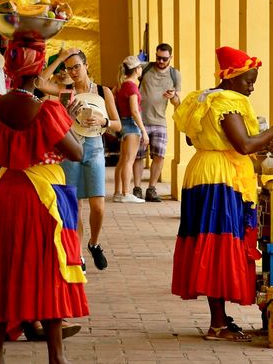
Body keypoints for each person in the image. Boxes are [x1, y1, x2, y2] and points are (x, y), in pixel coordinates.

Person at [0, 39, 88, 364]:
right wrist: (69, 119)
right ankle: (55, 355)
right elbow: (76, 153)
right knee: (46, 272)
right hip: (41, 199)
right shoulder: (47, 110)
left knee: (1, 270)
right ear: (37, 75)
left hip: (5, 195)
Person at [171, 46, 273, 342]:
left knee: (211, 242)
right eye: (248, 81)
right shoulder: (227, 102)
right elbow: (244, 145)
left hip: (203, 170)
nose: (250, 87)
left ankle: (220, 319)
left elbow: (190, 137)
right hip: (220, 177)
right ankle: (217, 325)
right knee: (219, 245)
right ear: (232, 78)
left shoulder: (202, 99)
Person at [52, 49, 122, 272]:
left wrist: (104, 121)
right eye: (68, 68)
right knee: (75, 205)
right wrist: (60, 59)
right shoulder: (65, 92)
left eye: (76, 66)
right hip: (71, 147)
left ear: (86, 65)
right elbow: (40, 84)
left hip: (94, 148)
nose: (73, 72)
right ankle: (78, 254)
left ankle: (94, 243)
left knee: (98, 206)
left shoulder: (103, 91)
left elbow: (118, 125)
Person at [132, 43, 181, 202]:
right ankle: (137, 188)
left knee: (159, 156)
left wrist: (172, 96)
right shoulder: (145, 68)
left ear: (170, 58)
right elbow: (129, 80)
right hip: (140, 119)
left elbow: (177, 102)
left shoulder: (174, 75)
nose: (160, 61)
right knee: (138, 156)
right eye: (158, 57)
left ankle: (151, 189)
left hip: (159, 120)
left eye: (164, 59)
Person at [113, 55, 148, 203]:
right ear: (136, 69)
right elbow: (134, 110)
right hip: (131, 125)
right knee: (129, 161)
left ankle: (117, 193)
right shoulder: (132, 87)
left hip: (123, 123)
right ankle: (126, 193)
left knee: (122, 160)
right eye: (140, 67)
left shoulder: (121, 84)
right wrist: (144, 131)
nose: (141, 70)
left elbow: (112, 96)